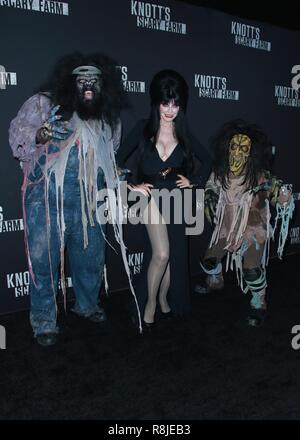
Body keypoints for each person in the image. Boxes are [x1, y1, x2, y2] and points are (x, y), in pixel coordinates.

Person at [9, 52, 129, 346]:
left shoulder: (107, 117)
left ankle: (87, 305)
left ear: (104, 85)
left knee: (90, 257)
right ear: (70, 82)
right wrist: (43, 132)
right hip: (45, 200)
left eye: (95, 80)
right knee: (43, 260)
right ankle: (44, 320)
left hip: (88, 200)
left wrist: (114, 175)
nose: (88, 85)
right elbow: (18, 137)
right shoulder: (43, 103)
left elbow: (110, 152)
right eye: (82, 79)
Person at [117, 69, 211, 332]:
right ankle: (147, 307)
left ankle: (162, 299)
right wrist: (131, 186)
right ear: (155, 101)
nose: (170, 110)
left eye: (175, 104)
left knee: (173, 256)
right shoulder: (142, 129)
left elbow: (209, 160)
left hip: (177, 199)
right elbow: (117, 159)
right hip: (149, 198)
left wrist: (195, 182)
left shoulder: (183, 133)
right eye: (165, 103)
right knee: (161, 253)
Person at [194, 120, 295, 326]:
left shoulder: (259, 176)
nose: (238, 154)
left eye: (244, 149)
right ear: (227, 147)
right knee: (210, 260)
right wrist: (211, 197)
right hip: (227, 227)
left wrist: (283, 195)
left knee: (251, 269)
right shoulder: (220, 172)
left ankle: (259, 302)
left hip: (253, 229)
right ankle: (215, 279)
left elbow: (276, 191)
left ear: (251, 153)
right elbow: (211, 185)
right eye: (234, 147)